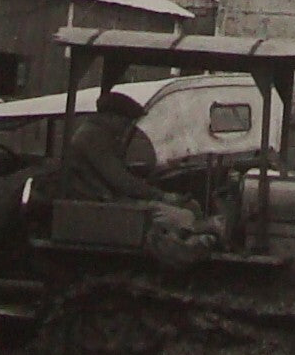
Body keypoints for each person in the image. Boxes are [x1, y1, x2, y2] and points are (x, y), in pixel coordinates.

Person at [64, 90, 221, 263]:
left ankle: (198, 239)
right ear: (110, 117)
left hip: (108, 198)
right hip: (100, 202)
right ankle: (198, 240)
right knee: (184, 216)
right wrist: (162, 195)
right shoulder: (92, 137)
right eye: (125, 122)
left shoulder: (100, 136)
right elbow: (121, 181)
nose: (126, 127)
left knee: (191, 207)